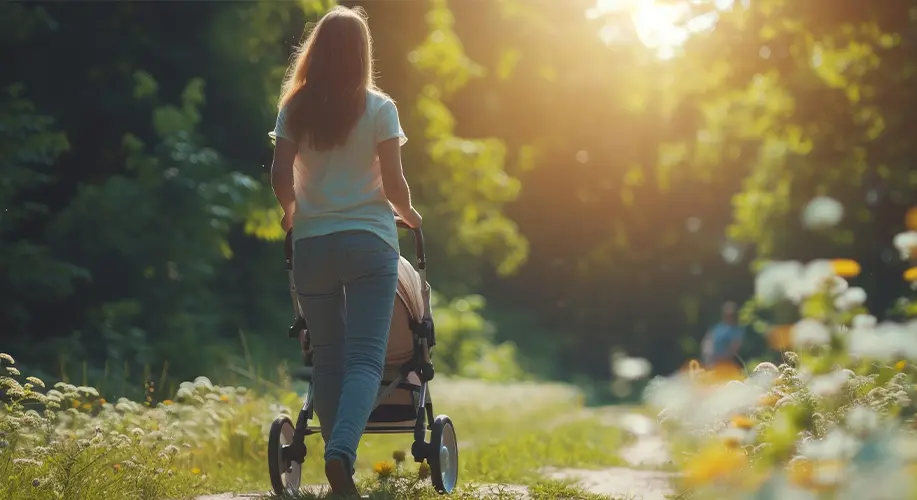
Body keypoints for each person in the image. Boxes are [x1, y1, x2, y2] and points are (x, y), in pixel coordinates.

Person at [269, 5, 422, 496]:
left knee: (328, 360)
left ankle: (340, 474)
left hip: (312, 247)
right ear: (362, 54)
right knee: (364, 361)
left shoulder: (295, 107)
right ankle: (340, 455)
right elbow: (394, 184)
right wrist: (410, 213)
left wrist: (294, 217)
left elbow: (278, 176)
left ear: (316, 51)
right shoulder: (380, 108)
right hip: (369, 244)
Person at [700, 301, 745, 369]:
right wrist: (708, 357)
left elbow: (734, 349)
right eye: (726, 314)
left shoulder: (737, 330)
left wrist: (719, 358)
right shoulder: (716, 327)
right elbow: (707, 343)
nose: (728, 316)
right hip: (711, 364)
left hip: (728, 365)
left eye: (731, 314)